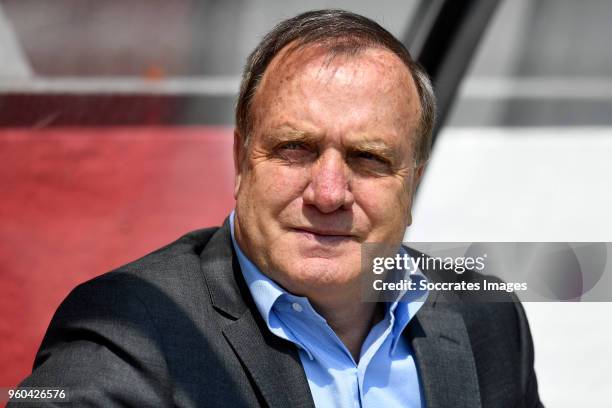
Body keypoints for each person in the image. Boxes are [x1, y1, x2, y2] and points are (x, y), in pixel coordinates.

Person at [13, 9, 542, 407]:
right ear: (241, 162)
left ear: (412, 184)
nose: (329, 193)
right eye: (295, 149)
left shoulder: (486, 315)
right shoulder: (133, 329)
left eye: (368, 158)